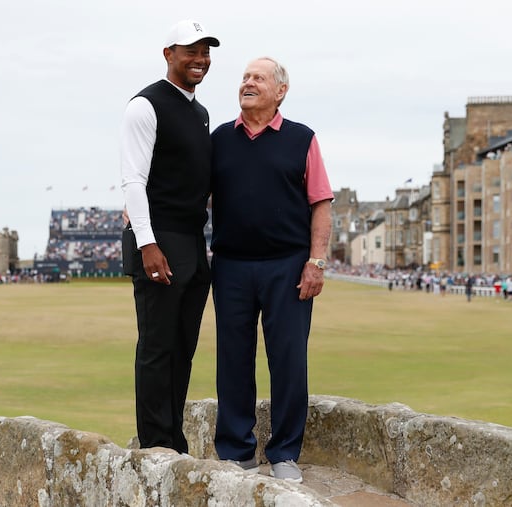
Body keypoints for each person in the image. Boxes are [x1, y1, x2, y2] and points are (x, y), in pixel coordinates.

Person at [210, 56, 334, 483]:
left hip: (288, 266)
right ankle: (236, 452)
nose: (247, 83)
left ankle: (284, 454)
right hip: (230, 266)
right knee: (233, 360)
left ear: (280, 90)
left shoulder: (302, 139)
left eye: (257, 78)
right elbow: (192, 195)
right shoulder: (219, 140)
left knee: (288, 361)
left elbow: (321, 202)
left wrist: (315, 262)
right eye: (244, 78)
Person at [119, 19, 219, 454]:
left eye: (205, 51)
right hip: (159, 238)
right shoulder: (145, 106)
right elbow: (133, 181)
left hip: (192, 240)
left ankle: (173, 436)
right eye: (190, 51)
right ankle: (155, 443)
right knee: (158, 346)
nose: (200, 59)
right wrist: (148, 243)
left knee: (183, 347)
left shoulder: (200, 113)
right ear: (168, 55)